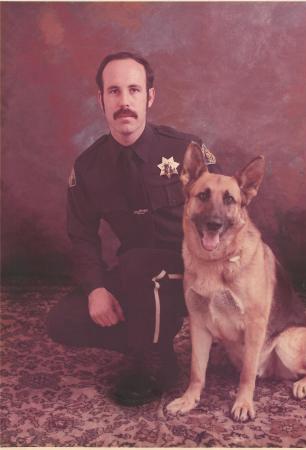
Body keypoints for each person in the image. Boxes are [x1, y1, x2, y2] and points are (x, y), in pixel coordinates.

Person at [47, 51, 218, 406]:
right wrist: (95, 288)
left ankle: (150, 363)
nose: (124, 101)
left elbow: (226, 208)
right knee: (63, 319)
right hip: (137, 275)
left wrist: (218, 268)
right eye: (114, 91)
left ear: (150, 97)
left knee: (140, 264)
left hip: (193, 268)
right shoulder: (89, 166)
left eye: (134, 90)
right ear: (101, 99)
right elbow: (81, 235)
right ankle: (158, 341)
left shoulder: (186, 149)